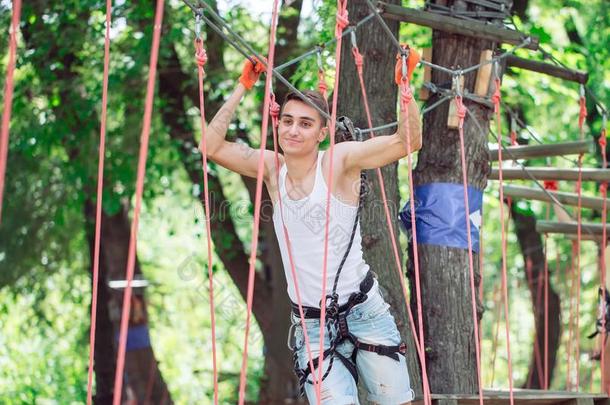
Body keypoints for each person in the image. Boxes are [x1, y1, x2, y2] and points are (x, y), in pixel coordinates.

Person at [201, 49, 422, 404]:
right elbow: (210, 146)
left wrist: (405, 88)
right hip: (312, 325)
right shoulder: (273, 169)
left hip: (363, 309)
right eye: (287, 121)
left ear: (322, 132)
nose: (292, 130)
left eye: (305, 123)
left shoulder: (337, 161)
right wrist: (243, 86)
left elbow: (406, 142)